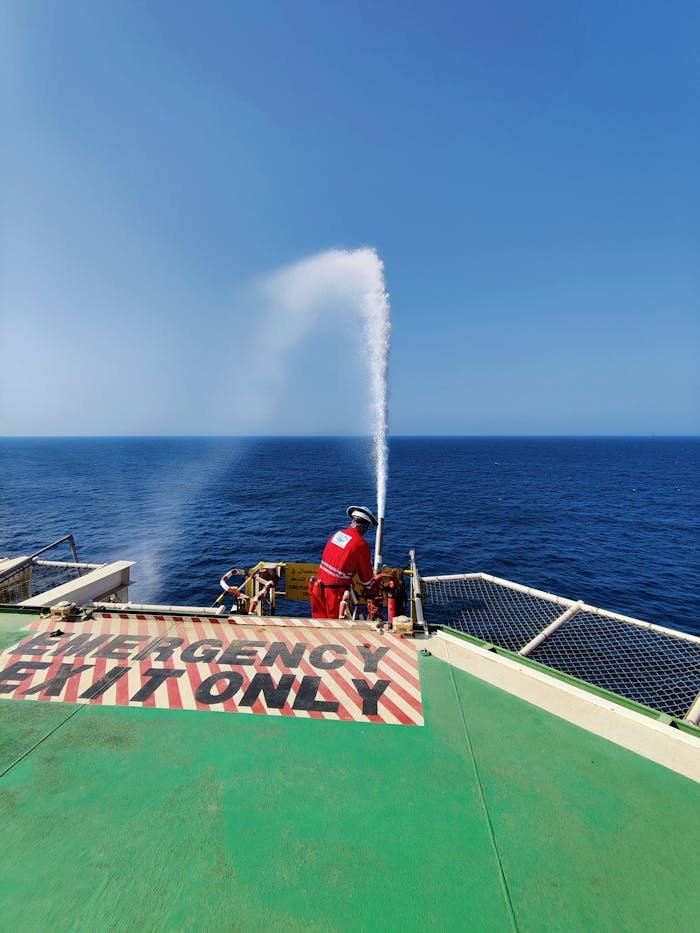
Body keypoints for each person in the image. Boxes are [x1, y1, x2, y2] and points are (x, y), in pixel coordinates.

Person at [310, 505, 378, 618]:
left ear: (353, 521)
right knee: (335, 629)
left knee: (319, 626)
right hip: (334, 594)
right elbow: (367, 581)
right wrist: (374, 592)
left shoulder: (338, 534)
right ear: (365, 526)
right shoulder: (361, 545)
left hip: (317, 588)